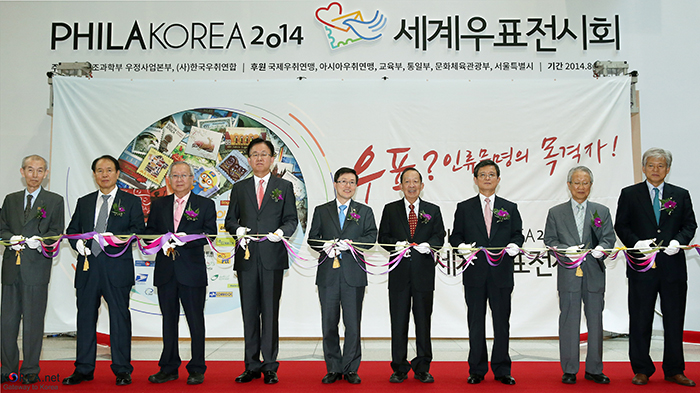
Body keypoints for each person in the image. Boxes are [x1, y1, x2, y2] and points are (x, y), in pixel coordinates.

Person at [615, 148, 697, 387]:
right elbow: (622, 225)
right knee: (640, 319)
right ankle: (641, 368)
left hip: (673, 268)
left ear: (668, 169)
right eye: (651, 165)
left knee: (674, 319)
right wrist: (635, 243)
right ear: (643, 167)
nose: (655, 169)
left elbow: (690, 224)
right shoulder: (630, 194)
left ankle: (674, 369)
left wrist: (678, 241)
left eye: (661, 166)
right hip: (642, 267)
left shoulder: (680, 195)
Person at [63, 155, 145, 386]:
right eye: (100, 170)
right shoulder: (85, 201)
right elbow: (72, 230)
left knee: (120, 318)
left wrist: (117, 240)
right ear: (94, 175)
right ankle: (83, 369)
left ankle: (122, 369)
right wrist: (77, 244)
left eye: (109, 170)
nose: (105, 174)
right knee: (85, 318)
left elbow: (138, 231)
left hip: (116, 268)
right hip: (88, 268)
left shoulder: (130, 202)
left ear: (118, 174)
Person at [224, 138, 298, 384]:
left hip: (272, 258)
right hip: (246, 258)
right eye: (254, 154)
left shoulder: (283, 186)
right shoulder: (239, 188)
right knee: (249, 313)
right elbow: (229, 221)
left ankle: (270, 366)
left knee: (270, 312)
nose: (259, 158)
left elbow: (291, 220)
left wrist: (281, 233)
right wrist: (238, 230)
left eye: (264, 154)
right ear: (248, 159)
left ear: (272, 158)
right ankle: (251, 365)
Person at [449, 159, 524, 385]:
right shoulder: (464, 207)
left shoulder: (509, 207)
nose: (487, 178)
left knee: (502, 322)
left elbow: (518, 234)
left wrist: (515, 245)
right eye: (483, 174)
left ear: (498, 180)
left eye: (492, 174)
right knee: (476, 322)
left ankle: (502, 369)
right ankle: (477, 369)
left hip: (501, 274)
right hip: (475, 274)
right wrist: (460, 247)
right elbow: (455, 237)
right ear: (475, 179)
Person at [146, 162, 216, 385]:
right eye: (175, 175)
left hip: (192, 271)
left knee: (196, 321)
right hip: (166, 271)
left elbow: (210, 234)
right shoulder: (158, 204)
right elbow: (149, 233)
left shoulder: (205, 204)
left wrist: (185, 239)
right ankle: (168, 367)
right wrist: (163, 242)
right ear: (168, 180)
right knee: (169, 321)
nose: (179, 180)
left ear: (192, 179)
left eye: (184, 175)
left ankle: (197, 367)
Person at [544, 166, 615, 385]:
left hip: (594, 273)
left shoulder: (600, 211)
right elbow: (549, 240)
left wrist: (602, 248)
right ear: (568, 185)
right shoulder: (556, 212)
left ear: (591, 186)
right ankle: (569, 368)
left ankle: (595, 368)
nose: (581, 187)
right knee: (569, 320)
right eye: (576, 182)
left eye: (585, 182)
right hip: (568, 273)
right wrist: (565, 249)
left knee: (595, 321)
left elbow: (609, 239)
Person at [307, 167, 377, 385]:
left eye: (352, 182)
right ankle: (333, 367)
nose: (348, 186)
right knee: (329, 323)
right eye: (343, 181)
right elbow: (312, 238)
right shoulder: (322, 210)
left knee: (353, 324)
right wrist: (324, 246)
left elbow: (371, 236)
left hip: (353, 275)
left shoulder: (364, 211)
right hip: (328, 274)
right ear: (335, 184)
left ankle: (350, 368)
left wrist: (352, 245)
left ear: (356, 186)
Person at [0, 155, 64, 384]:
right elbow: (2, 228)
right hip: (10, 269)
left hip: (36, 268)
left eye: (39, 171)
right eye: (30, 170)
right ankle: (7, 368)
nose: (34, 175)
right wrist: (10, 238)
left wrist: (41, 240)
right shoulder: (10, 199)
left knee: (33, 322)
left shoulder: (54, 201)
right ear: (22, 171)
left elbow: (56, 231)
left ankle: (30, 370)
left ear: (45, 174)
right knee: (6, 322)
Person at [378, 168, 445, 384]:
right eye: (407, 181)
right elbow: (383, 237)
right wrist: (395, 245)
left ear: (422, 185)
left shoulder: (432, 210)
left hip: (423, 275)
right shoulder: (391, 209)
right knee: (398, 322)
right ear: (400, 186)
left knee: (423, 322)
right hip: (398, 275)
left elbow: (439, 236)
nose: (411, 185)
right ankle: (399, 367)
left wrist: (430, 245)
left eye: (415, 181)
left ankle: (423, 366)